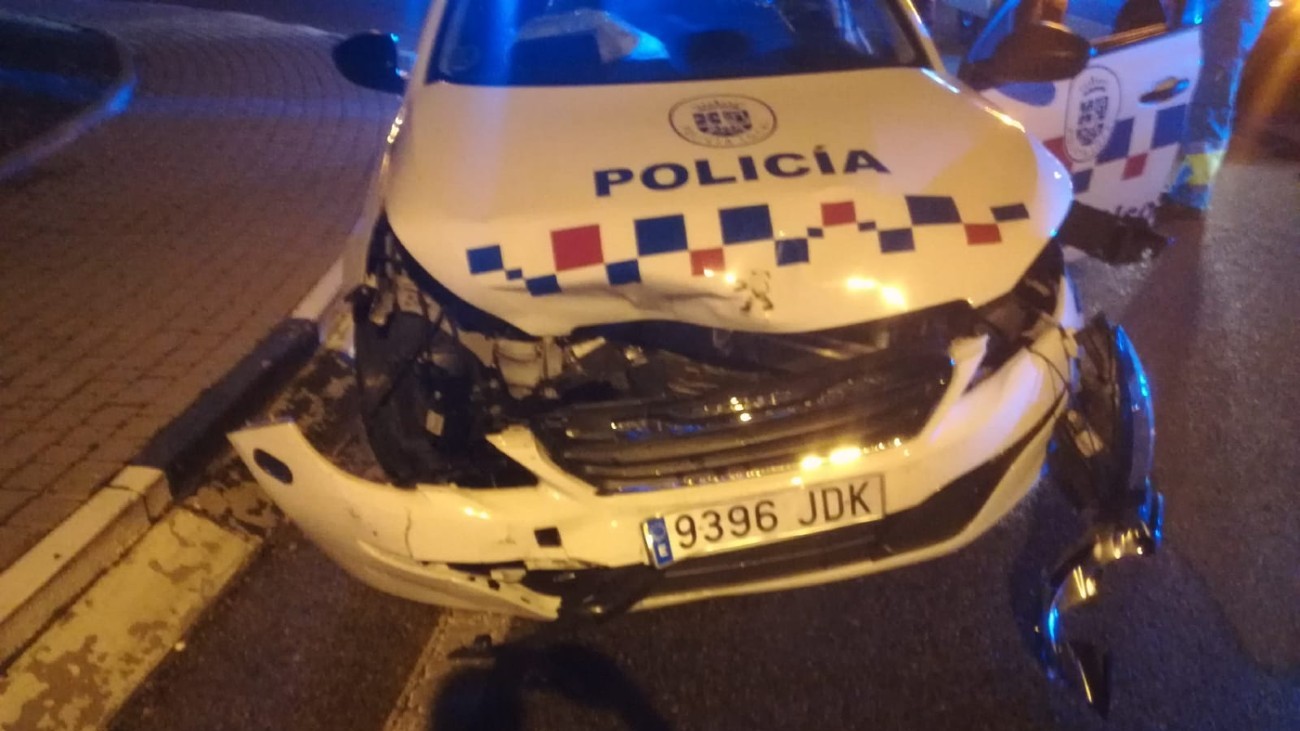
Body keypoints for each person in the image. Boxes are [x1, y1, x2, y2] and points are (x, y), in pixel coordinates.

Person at [1161, 0, 1272, 216]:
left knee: (1209, 108)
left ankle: (1192, 196)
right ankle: (1191, 193)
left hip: (1230, 19)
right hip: (1224, 19)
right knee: (1205, 108)